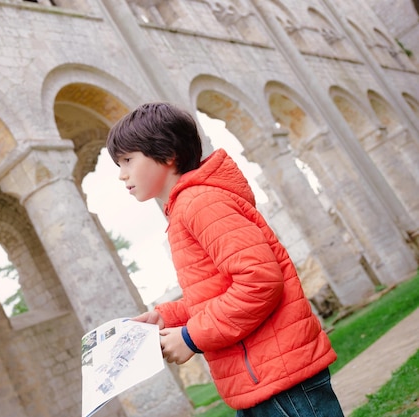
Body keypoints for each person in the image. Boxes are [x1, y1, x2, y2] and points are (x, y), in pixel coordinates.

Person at [106, 102, 344, 417]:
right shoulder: (185, 209)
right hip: (257, 382)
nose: (122, 175)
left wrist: (191, 338)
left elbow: (259, 282)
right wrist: (169, 318)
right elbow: (219, 293)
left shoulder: (200, 203)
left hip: (283, 382)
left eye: (127, 161)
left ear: (166, 154)